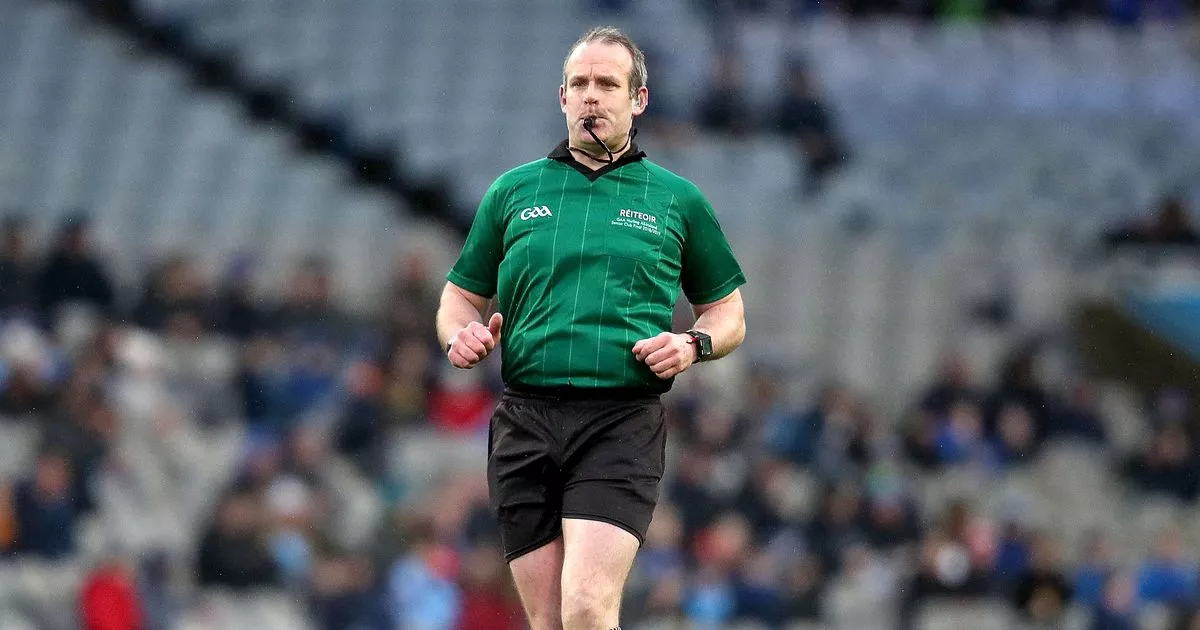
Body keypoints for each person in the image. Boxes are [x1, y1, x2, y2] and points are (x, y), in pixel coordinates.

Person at [435, 26, 747, 630]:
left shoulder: (676, 200)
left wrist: (692, 344)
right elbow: (458, 296)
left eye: (607, 84)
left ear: (639, 99)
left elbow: (728, 313)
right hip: (524, 419)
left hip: (619, 420)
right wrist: (459, 334)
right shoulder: (513, 191)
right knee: (551, 620)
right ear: (562, 98)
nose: (591, 96)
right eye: (579, 84)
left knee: (586, 604)